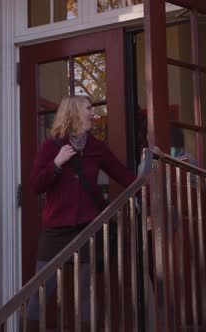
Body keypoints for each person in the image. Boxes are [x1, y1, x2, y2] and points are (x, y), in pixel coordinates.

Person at [27, 95, 136, 327]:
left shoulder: (97, 148)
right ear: (74, 112)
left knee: (84, 290)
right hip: (55, 230)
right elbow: (36, 185)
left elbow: (124, 176)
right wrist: (56, 163)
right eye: (88, 109)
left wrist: (149, 181)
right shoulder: (51, 146)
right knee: (40, 291)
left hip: (88, 228)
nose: (92, 113)